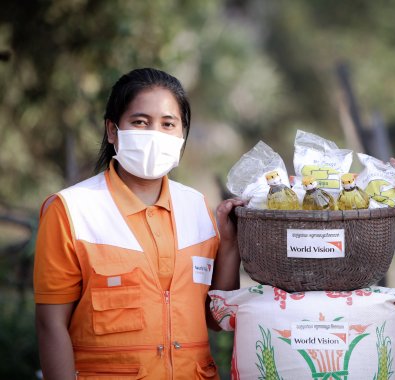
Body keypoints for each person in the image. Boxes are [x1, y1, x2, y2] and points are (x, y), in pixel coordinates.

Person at [33, 68, 243, 379]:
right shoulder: (71, 210)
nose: (155, 134)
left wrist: (229, 246)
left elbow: (216, 318)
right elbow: (50, 324)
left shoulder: (196, 206)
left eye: (167, 124)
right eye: (140, 122)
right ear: (112, 130)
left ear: (182, 134)